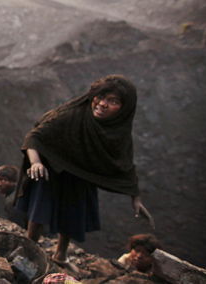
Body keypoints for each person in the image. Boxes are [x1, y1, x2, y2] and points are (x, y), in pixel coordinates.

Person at [15, 75, 154, 272]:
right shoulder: (72, 114)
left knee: (73, 214)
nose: (102, 104)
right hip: (52, 168)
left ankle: (61, 255)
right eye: (100, 97)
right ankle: (28, 251)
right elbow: (34, 137)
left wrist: (135, 197)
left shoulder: (118, 131)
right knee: (40, 212)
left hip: (81, 174)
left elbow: (124, 164)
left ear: (125, 108)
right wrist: (36, 162)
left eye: (113, 101)